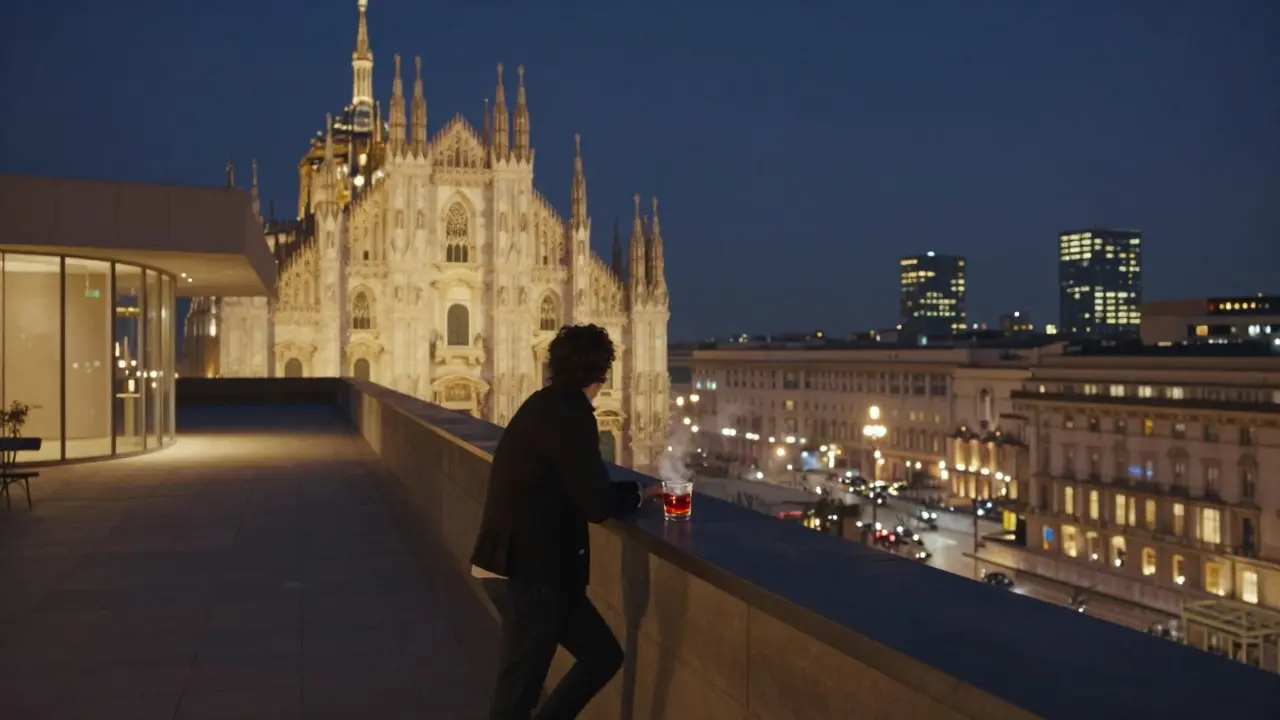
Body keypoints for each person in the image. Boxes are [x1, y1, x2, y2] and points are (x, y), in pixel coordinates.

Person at [470, 324, 664, 719]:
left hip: (531, 570)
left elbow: (576, 479)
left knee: (602, 656)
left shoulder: (542, 402)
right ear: (601, 372)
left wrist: (631, 491)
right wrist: (639, 495)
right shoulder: (572, 414)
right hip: (527, 574)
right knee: (515, 699)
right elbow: (594, 501)